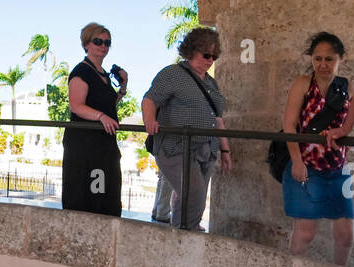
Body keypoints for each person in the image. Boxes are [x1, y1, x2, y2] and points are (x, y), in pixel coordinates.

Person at [281, 32, 354, 266]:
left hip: (337, 169)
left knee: (346, 236)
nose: (323, 64)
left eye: (329, 59)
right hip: (307, 165)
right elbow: (289, 124)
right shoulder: (303, 84)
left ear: (340, 59)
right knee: (306, 231)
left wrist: (352, 144)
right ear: (312, 59)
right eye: (318, 59)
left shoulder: (348, 87)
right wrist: (296, 161)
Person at [142, 26, 231, 229]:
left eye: (214, 56)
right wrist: (150, 121)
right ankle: (186, 233)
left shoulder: (211, 83)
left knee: (193, 196)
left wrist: (225, 150)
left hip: (207, 149)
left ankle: (183, 229)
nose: (209, 60)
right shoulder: (173, 74)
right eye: (205, 55)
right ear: (191, 51)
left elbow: (217, 118)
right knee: (194, 194)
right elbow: (150, 99)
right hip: (176, 147)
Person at [62, 22, 127, 215]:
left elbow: (107, 106)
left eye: (107, 42)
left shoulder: (104, 74)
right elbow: (76, 105)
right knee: (87, 198)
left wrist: (122, 88)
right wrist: (101, 116)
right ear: (87, 44)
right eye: (98, 41)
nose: (103, 46)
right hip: (85, 146)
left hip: (104, 144)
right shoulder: (81, 72)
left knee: (107, 197)